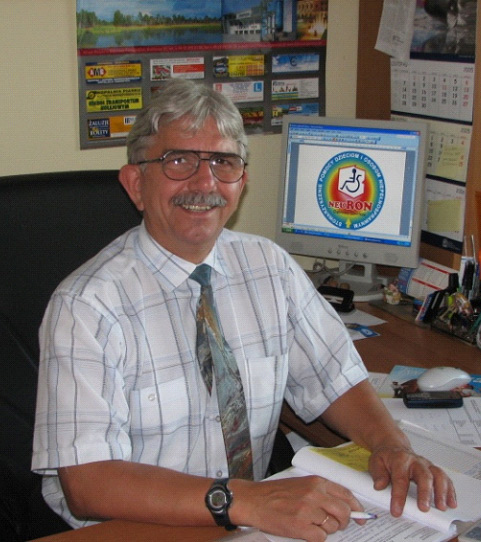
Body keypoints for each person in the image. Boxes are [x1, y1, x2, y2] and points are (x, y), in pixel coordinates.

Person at [32, 79, 456, 542]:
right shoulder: (87, 306)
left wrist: (390, 445)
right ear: (136, 183)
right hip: (134, 528)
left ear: (242, 181)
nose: (205, 183)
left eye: (223, 162)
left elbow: (336, 378)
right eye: (179, 161)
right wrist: (244, 500)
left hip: (250, 520)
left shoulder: (269, 266)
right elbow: (88, 485)